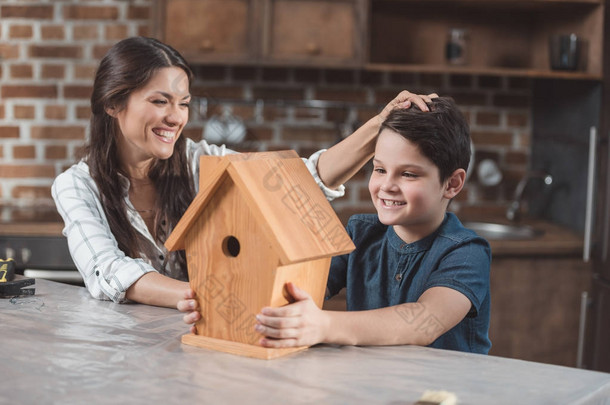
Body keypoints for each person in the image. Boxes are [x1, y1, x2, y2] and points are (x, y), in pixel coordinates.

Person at [52, 36, 435, 309]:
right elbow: (108, 271)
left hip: (198, 340)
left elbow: (296, 182)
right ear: (113, 103)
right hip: (121, 350)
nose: (176, 117)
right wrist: (206, 297)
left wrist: (379, 125)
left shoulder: (199, 162)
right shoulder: (75, 186)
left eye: (183, 104)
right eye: (159, 101)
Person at [247, 97, 492, 353]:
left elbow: (424, 322)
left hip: (444, 391)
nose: (387, 186)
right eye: (380, 170)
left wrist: (324, 324)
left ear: (452, 184)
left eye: (408, 174)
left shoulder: (467, 252)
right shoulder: (359, 234)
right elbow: (291, 290)